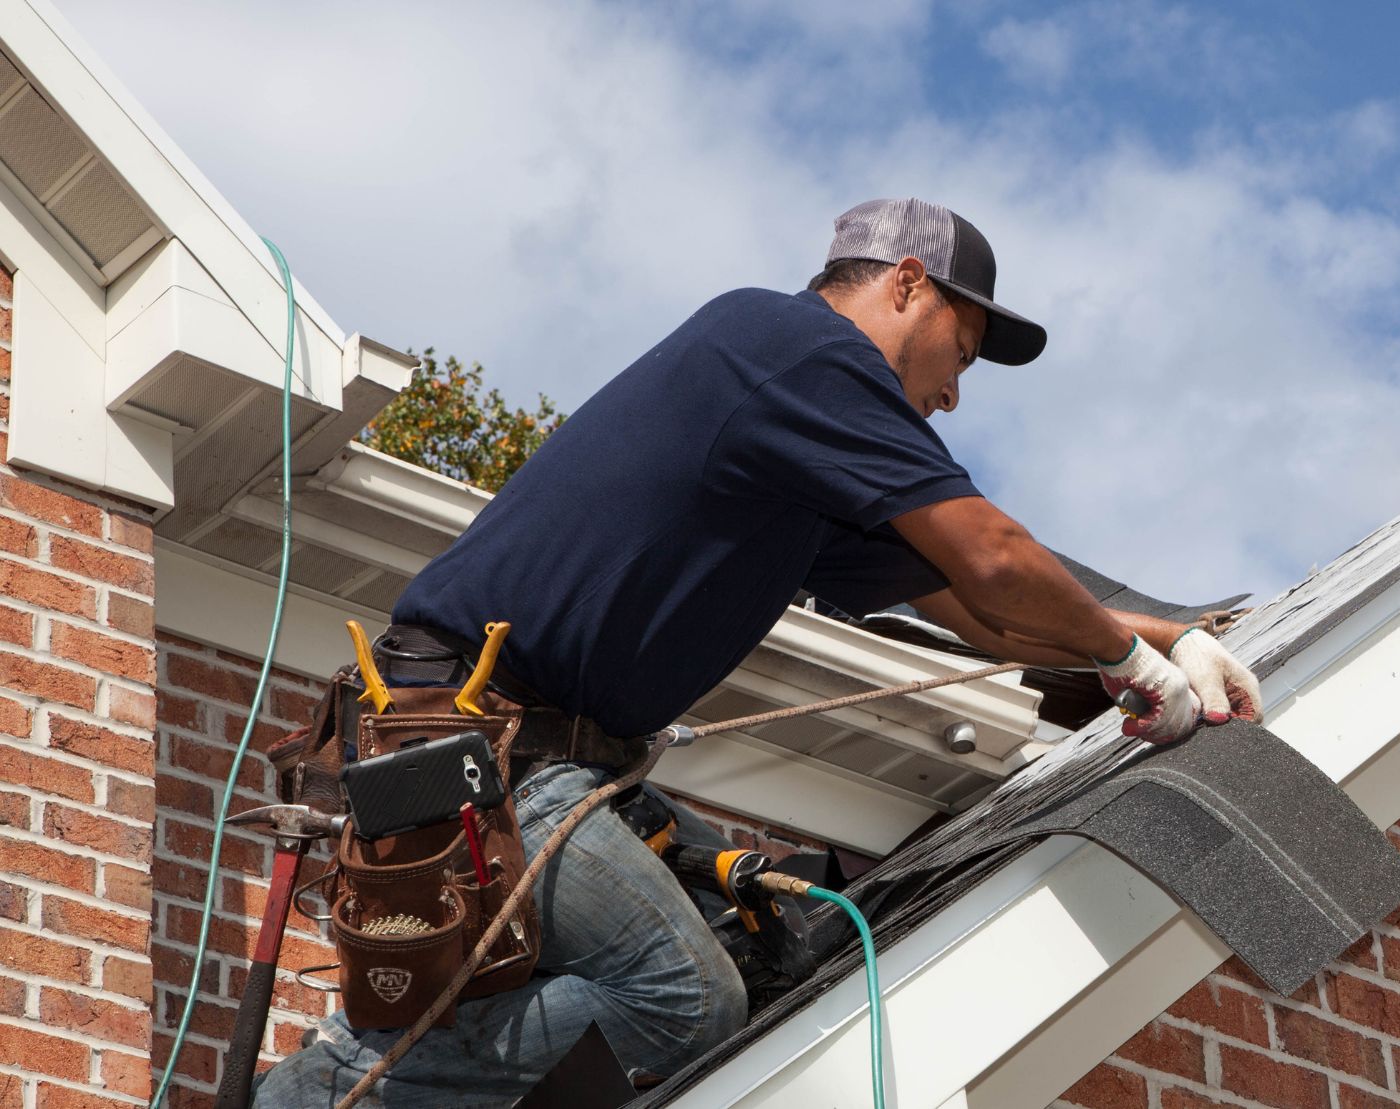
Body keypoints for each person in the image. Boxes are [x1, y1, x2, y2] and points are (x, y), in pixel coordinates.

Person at [256, 198, 1261, 1105]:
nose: (955, 393)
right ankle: (329, 1091)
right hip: (478, 740)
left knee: (768, 940)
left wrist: (1172, 640)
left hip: (536, 755)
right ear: (907, 282)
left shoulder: (806, 456)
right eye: (961, 348)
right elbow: (993, 558)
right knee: (684, 997)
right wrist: (1130, 663)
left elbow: (980, 612)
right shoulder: (789, 347)